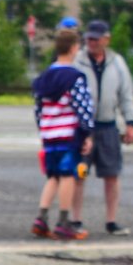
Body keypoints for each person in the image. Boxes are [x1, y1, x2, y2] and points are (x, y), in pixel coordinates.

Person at [70, 20, 133, 235]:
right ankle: (75, 219)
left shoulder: (117, 63)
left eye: (96, 38)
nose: (91, 42)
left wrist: (130, 122)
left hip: (108, 126)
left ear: (106, 39)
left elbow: (126, 95)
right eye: (88, 38)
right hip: (83, 128)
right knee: (79, 173)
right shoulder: (77, 62)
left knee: (112, 174)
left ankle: (111, 221)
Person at [29, 27, 95, 241]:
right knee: (68, 176)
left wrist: (43, 129)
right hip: (68, 133)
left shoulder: (44, 78)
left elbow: (38, 109)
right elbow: (83, 107)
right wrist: (88, 134)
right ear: (74, 48)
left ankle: (41, 217)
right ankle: (64, 222)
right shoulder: (75, 77)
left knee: (53, 176)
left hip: (49, 134)